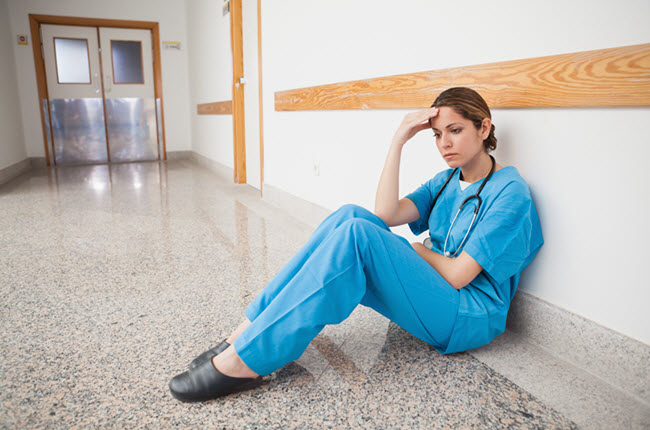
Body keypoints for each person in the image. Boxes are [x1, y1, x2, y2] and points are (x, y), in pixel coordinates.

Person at [169, 87, 544, 402]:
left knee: (359, 236)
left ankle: (248, 361)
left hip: (468, 316)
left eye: (455, 130)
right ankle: (246, 332)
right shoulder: (446, 181)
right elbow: (383, 213)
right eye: (437, 134)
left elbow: (461, 274)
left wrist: (416, 250)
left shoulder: (509, 191)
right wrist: (398, 139)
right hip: (436, 294)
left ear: (484, 127)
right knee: (352, 215)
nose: (444, 143)